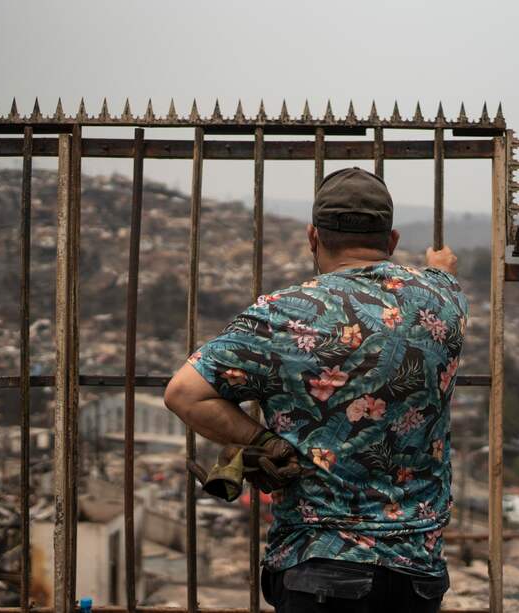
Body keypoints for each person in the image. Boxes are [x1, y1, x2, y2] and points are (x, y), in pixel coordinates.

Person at [165, 167, 466, 612]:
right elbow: (442, 271)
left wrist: (264, 443)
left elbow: (183, 394)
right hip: (415, 571)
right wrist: (438, 267)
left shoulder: (281, 314)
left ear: (312, 238)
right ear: (392, 240)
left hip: (318, 566)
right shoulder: (443, 300)